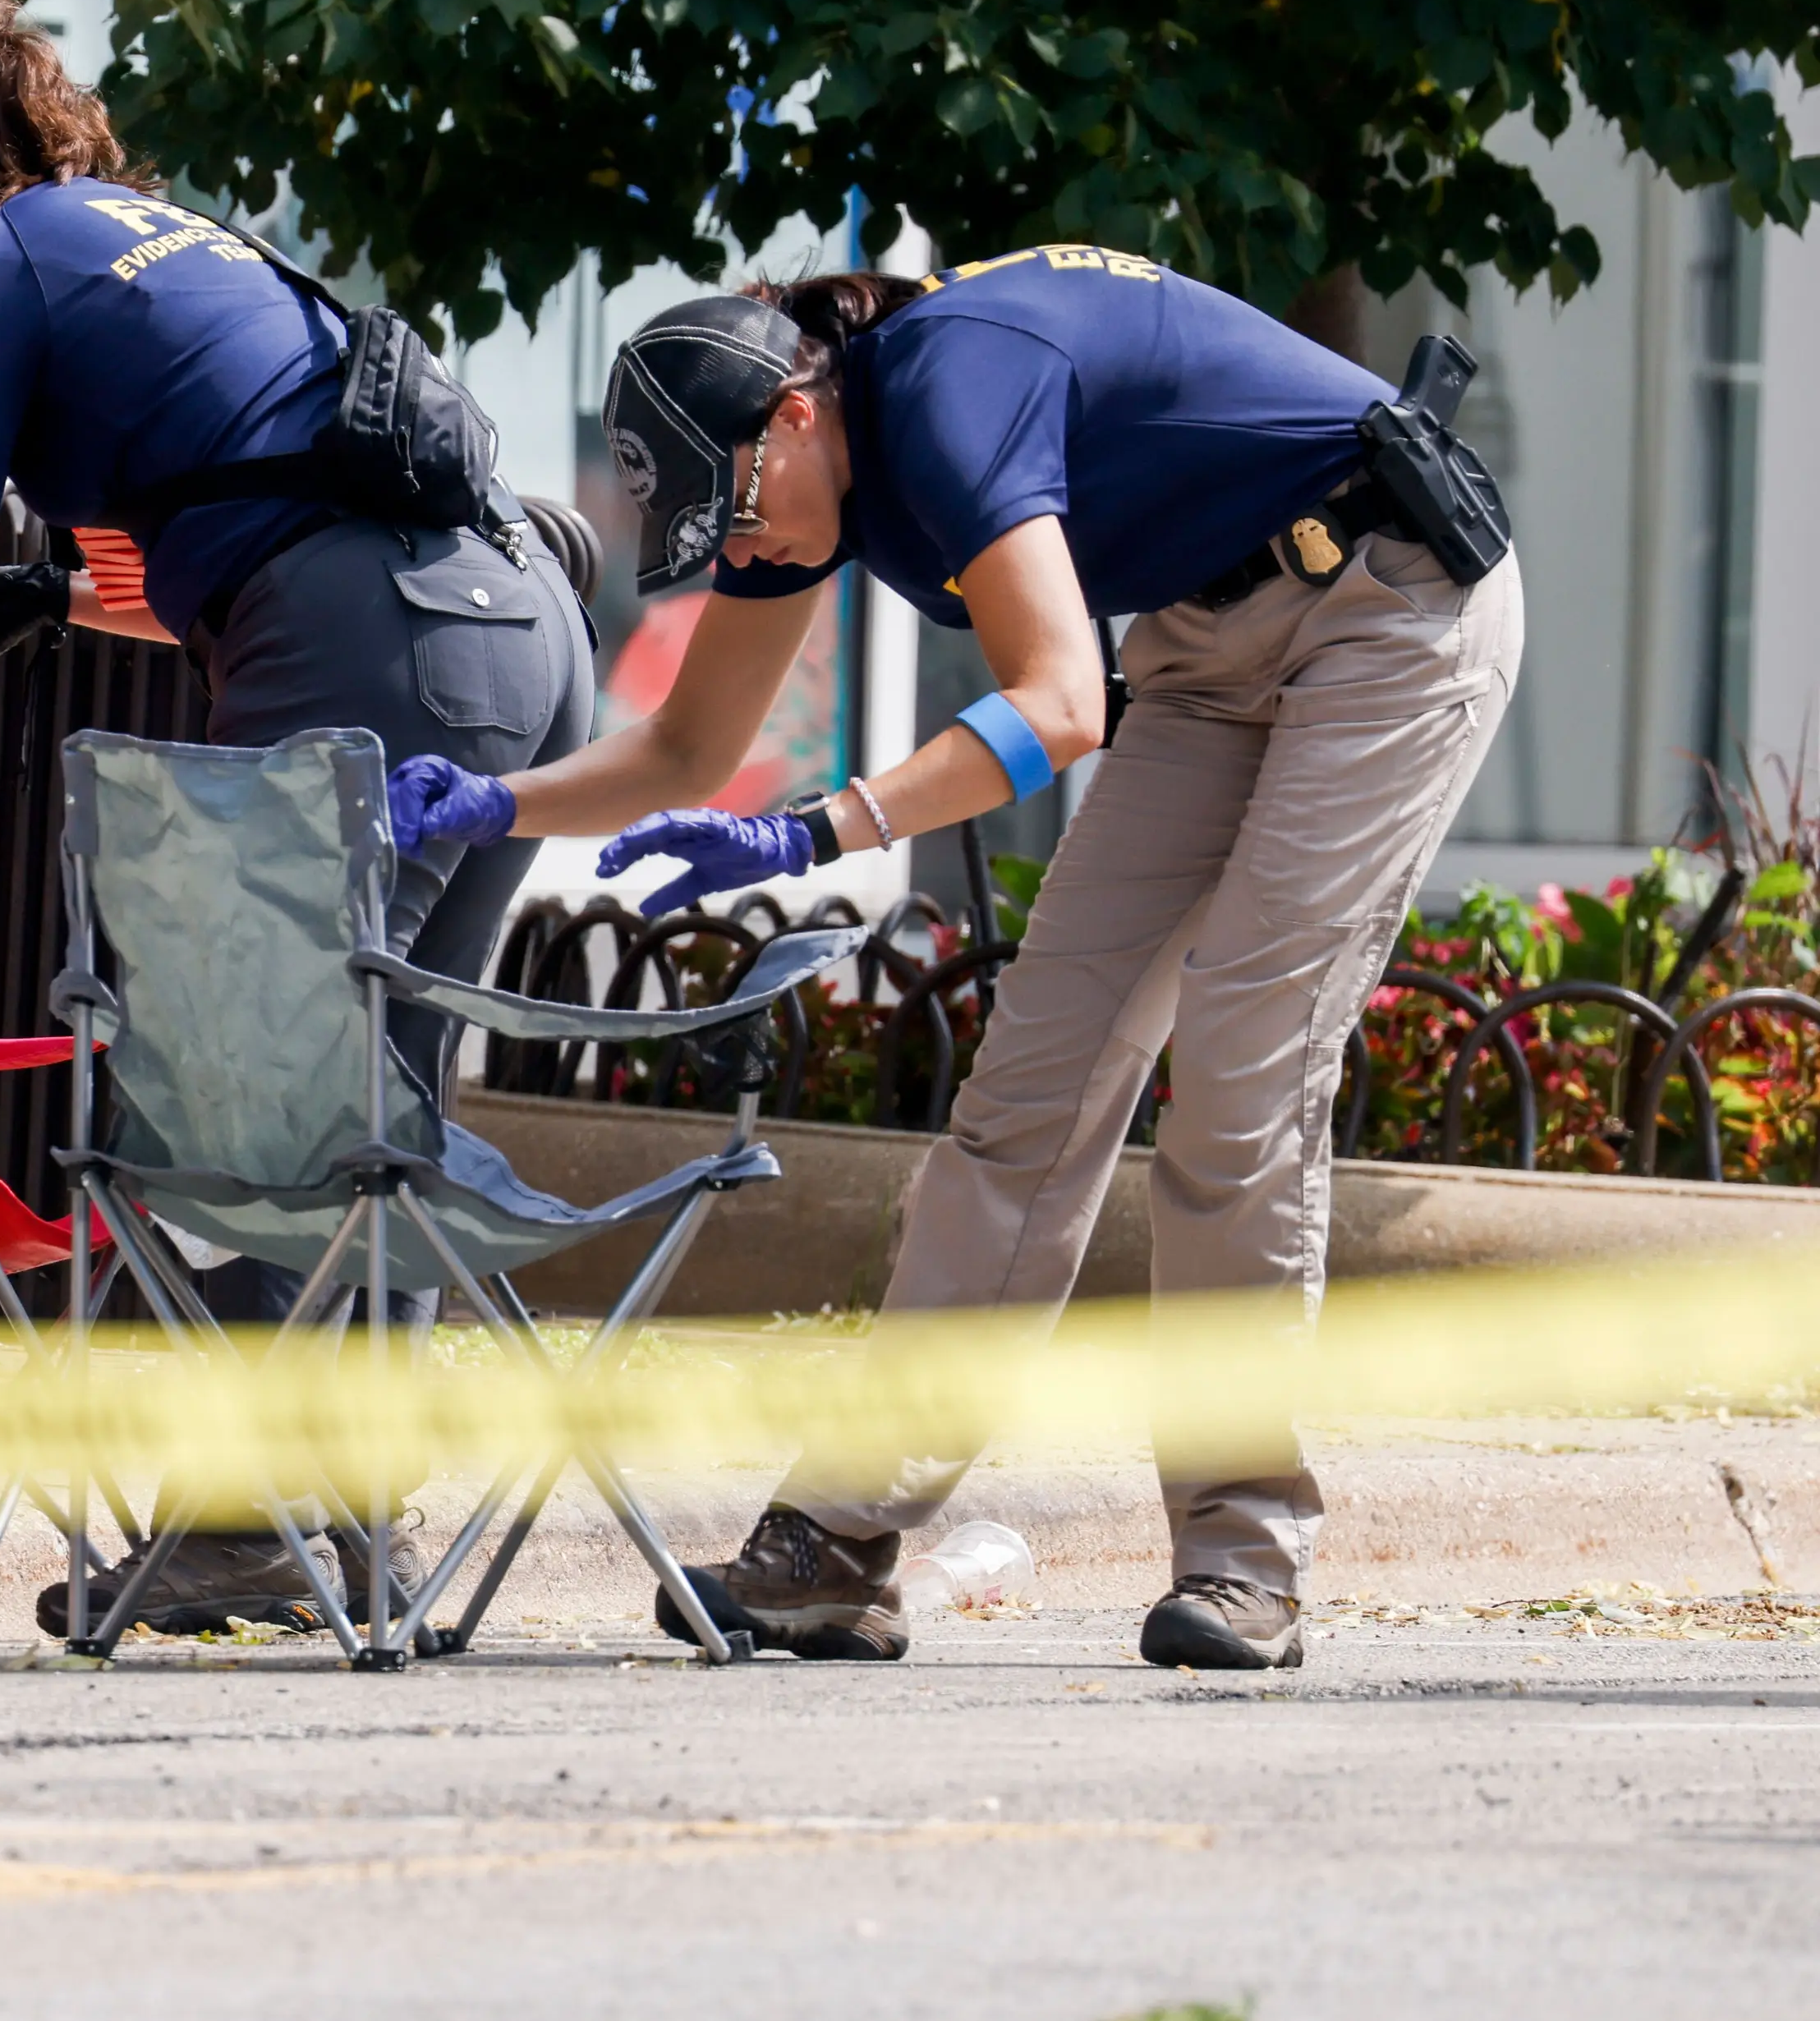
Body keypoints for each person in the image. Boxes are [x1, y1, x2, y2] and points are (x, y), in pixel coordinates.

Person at [394, 249, 1524, 1670]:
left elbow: (1055, 705)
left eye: (734, 513)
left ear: (794, 416)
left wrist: (824, 832)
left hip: (1385, 606)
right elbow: (689, 746)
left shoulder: (945, 385)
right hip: (1201, 646)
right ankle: (843, 1544)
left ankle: (1246, 1561)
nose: (742, 553)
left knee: (1243, 1051)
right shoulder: (793, 476)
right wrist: (504, 801)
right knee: (1031, 1085)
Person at [0, 0, 595, 1635]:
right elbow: (190, 565)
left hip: (372, 652)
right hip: (524, 643)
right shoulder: (159, 242)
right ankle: (339, 1523)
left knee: (244, 1082)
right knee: (372, 1106)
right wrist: (53, 596)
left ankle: (242, 1518)